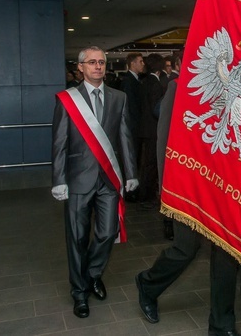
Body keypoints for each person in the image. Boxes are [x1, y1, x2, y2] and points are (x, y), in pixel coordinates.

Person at [136, 76, 241, 335]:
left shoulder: (234, 82)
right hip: (189, 184)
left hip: (226, 187)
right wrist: (166, 190)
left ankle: (221, 325)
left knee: (227, 255)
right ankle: (148, 284)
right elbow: (163, 139)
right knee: (186, 248)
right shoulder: (178, 85)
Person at [51, 46, 139, 319]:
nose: (98, 66)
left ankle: (91, 274)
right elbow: (59, 142)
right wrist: (58, 179)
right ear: (81, 68)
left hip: (108, 181)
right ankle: (80, 292)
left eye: (101, 62)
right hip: (78, 178)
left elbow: (124, 137)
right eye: (92, 62)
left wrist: (131, 173)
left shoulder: (118, 97)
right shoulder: (68, 99)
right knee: (76, 238)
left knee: (106, 232)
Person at [138, 53, 166, 203]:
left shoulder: (144, 81)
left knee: (147, 163)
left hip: (145, 128)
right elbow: (156, 109)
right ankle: (147, 196)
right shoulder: (155, 84)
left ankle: (144, 194)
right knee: (151, 163)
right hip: (153, 129)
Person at [120, 52, 145, 201]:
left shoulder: (136, 80)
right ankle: (130, 190)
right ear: (133, 64)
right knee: (131, 157)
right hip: (132, 127)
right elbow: (131, 108)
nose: (143, 64)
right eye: (140, 62)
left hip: (136, 127)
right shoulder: (129, 81)